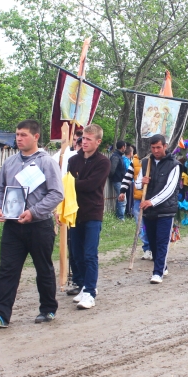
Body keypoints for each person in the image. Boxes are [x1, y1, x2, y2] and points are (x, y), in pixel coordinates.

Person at [0, 120, 64, 328]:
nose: (19, 138)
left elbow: (57, 194)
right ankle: (0, 315)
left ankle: (47, 309)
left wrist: (33, 212)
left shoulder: (47, 162)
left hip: (39, 226)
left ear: (36, 137)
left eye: (24, 135)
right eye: (17, 134)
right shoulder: (10, 162)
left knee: (43, 269)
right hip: (13, 226)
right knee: (8, 270)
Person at [64, 124, 110, 309]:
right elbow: (67, 186)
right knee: (76, 253)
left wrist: (71, 183)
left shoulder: (103, 162)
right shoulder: (73, 160)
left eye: (89, 139)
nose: (84, 142)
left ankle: (90, 292)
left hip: (92, 212)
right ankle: (83, 284)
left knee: (90, 253)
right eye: (83, 138)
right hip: (75, 212)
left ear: (98, 142)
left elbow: (91, 185)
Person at [135, 134, 182, 284]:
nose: (155, 150)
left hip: (165, 209)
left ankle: (157, 272)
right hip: (149, 211)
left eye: (158, 147)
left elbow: (169, 189)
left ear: (165, 146)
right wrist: (142, 182)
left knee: (162, 241)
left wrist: (152, 201)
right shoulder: (145, 163)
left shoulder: (174, 165)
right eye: (153, 147)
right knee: (153, 241)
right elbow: (136, 185)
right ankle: (162, 265)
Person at [118, 151, 152, 260]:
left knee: (152, 224)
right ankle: (147, 248)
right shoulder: (135, 160)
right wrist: (122, 191)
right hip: (139, 198)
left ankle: (154, 248)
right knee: (141, 225)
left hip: (153, 199)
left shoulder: (155, 159)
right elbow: (128, 177)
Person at [109, 140, 127, 220]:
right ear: (123, 147)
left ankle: (119, 215)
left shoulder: (119, 156)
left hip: (120, 180)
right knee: (122, 198)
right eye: (125, 147)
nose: (125, 148)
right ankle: (120, 217)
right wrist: (111, 177)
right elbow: (112, 170)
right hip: (117, 180)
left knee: (120, 198)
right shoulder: (116, 156)